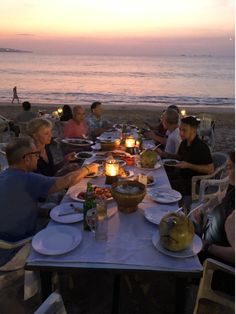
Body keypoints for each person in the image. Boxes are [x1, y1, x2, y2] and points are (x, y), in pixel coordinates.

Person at [0, 137, 98, 268]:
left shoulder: (6, 175)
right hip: (13, 248)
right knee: (75, 231)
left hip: (5, 238)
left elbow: (18, 204)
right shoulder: (26, 179)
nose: (38, 157)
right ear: (27, 158)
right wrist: (88, 168)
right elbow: (66, 181)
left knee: (60, 210)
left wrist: (45, 211)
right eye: (35, 154)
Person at [195, 151, 235, 266]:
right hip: (203, 239)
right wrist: (204, 207)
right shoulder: (233, 187)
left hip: (212, 264)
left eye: (230, 167)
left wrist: (208, 247)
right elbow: (220, 196)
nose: (227, 172)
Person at [159, 115, 214, 197]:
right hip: (181, 176)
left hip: (194, 183)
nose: (181, 133)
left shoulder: (201, 147)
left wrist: (189, 165)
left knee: (163, 188)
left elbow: (210, 169)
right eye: (180, 129)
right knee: (160, 179)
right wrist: (165, 154)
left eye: (184, 130)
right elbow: (180, 157)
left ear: (193, 130)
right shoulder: (184, 142)